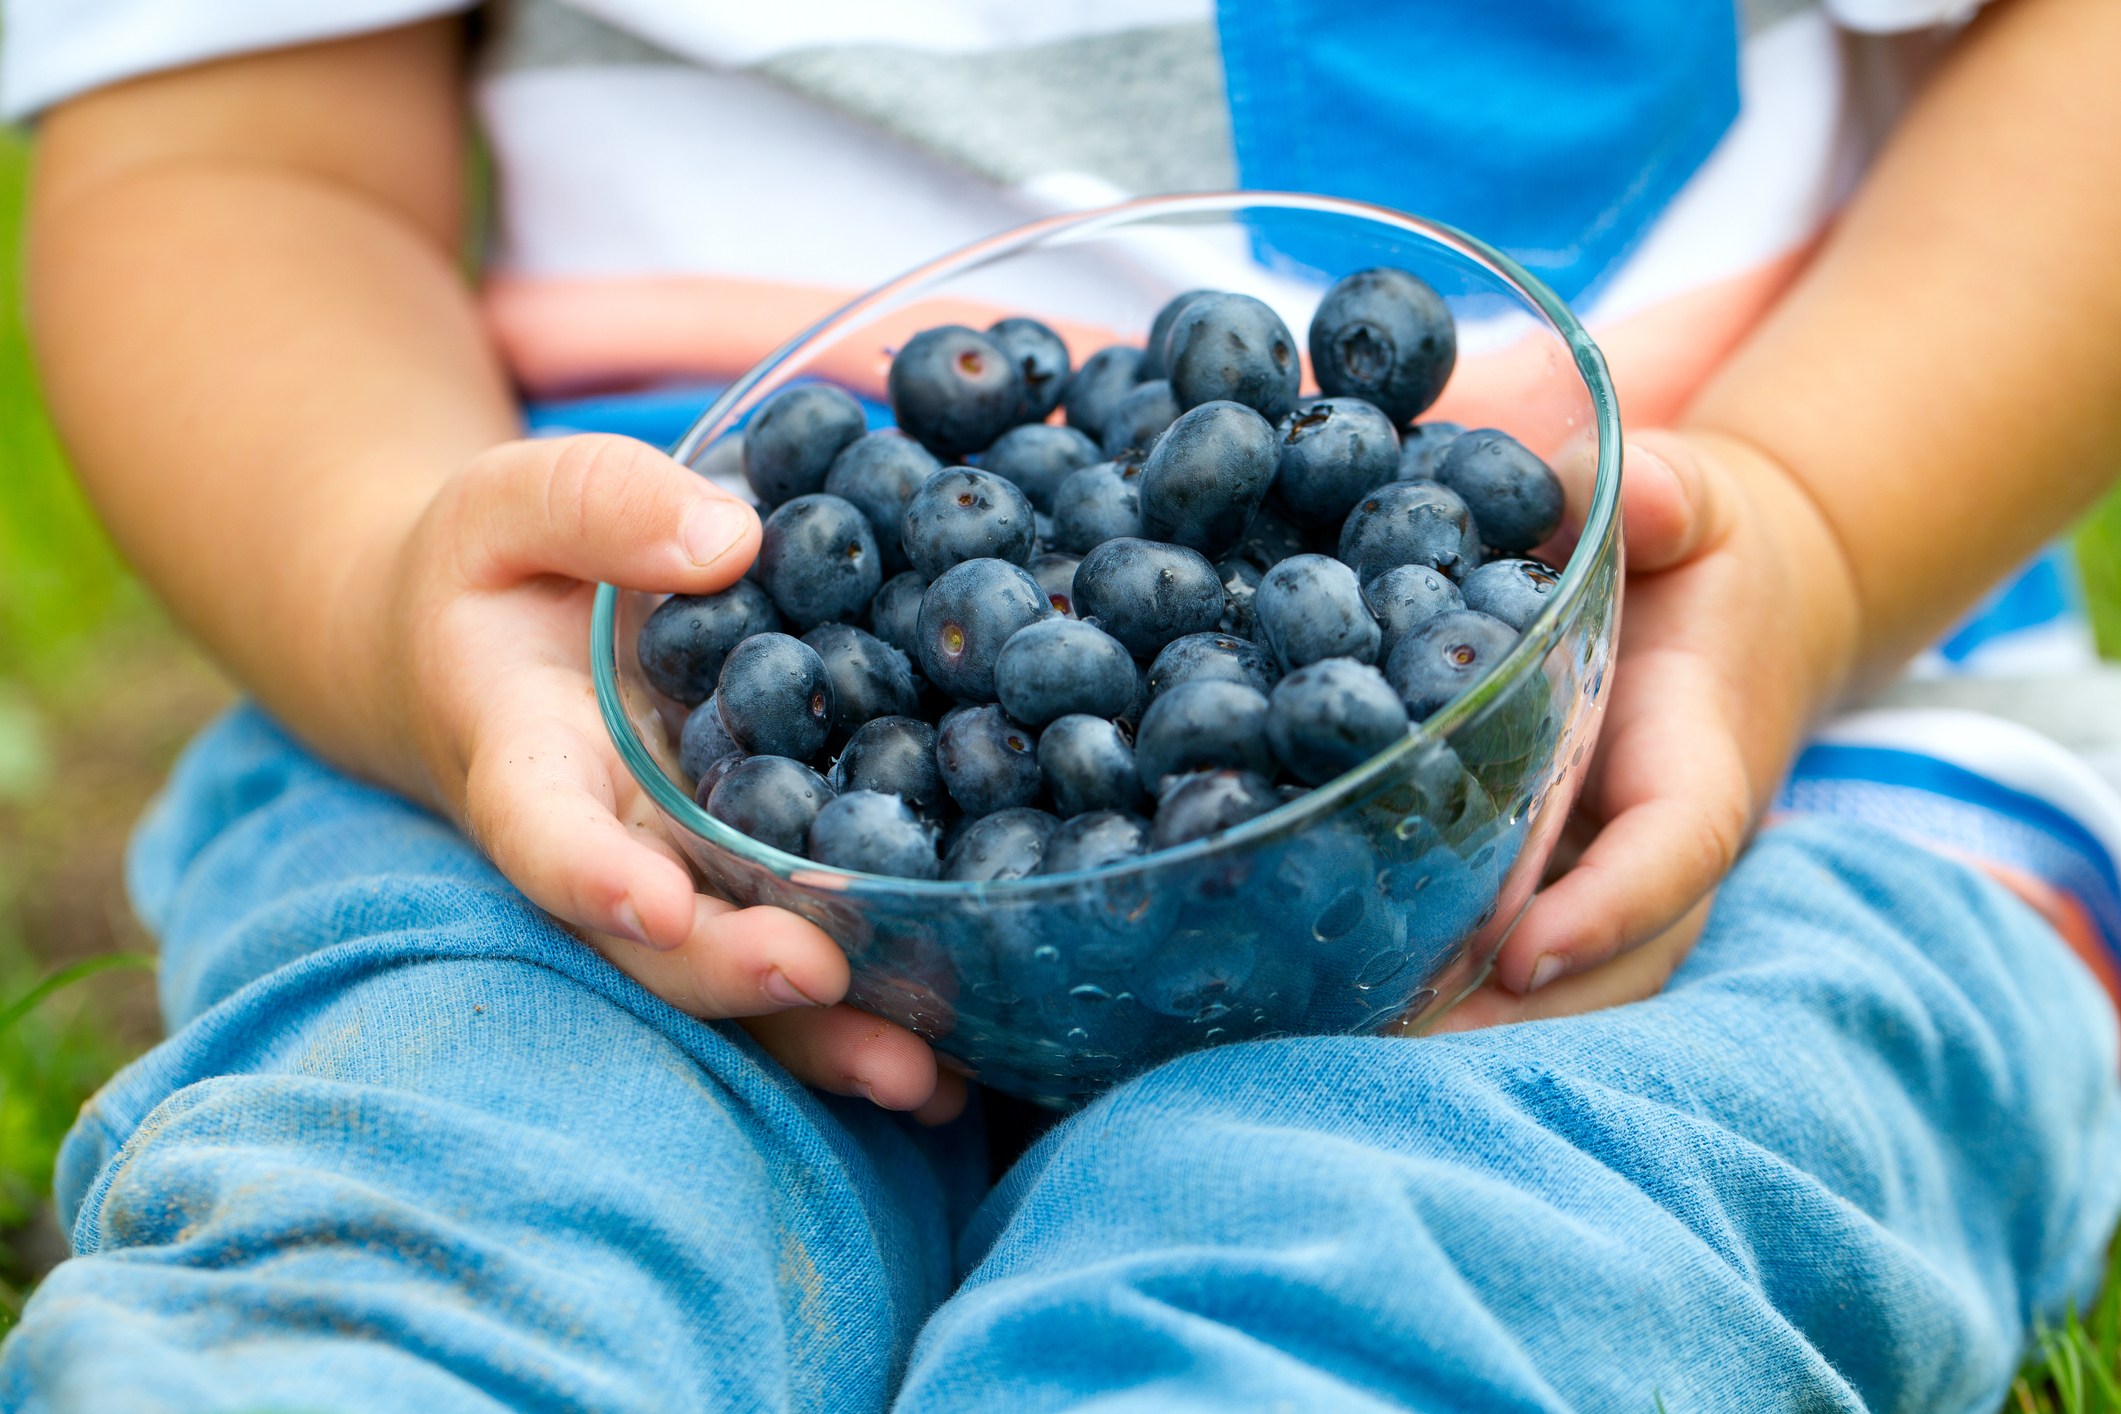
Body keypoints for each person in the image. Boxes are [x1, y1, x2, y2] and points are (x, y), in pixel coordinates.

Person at [2, 0, 2120, 1407]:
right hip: (643, 760)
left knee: (1413, 1279)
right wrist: (394, 591)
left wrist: (1822, 532)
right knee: (446, 1226)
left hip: (1700, 740)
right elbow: (234, 162)